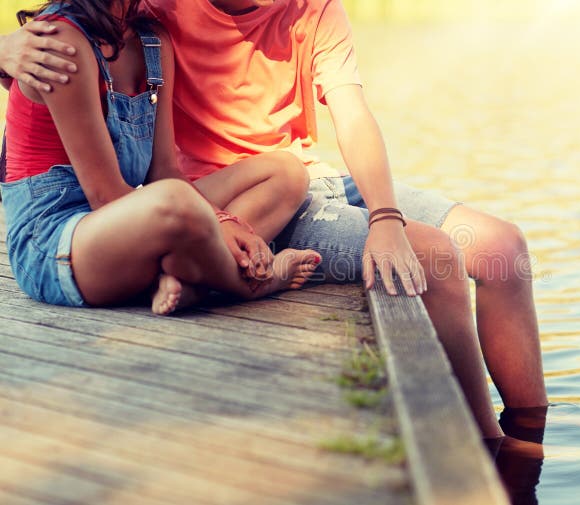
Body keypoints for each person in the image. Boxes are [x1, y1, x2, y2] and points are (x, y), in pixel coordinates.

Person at [0, 0, 549, 446]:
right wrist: (6, 46)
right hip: (194, 207)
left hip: (290, 181)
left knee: (504, 246)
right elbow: (68, 51)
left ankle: (530, 432)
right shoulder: (158, 10)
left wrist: (384, 215)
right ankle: (485, 450)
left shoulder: (300, 11)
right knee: (433, 257)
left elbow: (351, 114)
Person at [0, 0, 320, 315]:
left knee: (285, 172)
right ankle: (248, 283)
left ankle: (186, 277)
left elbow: (164, 171)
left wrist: (223, 219)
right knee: (176, 202)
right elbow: (105, 195)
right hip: (55, 244)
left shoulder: (151, 40)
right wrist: (218, 225)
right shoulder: (61, 40)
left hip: (131, 217)